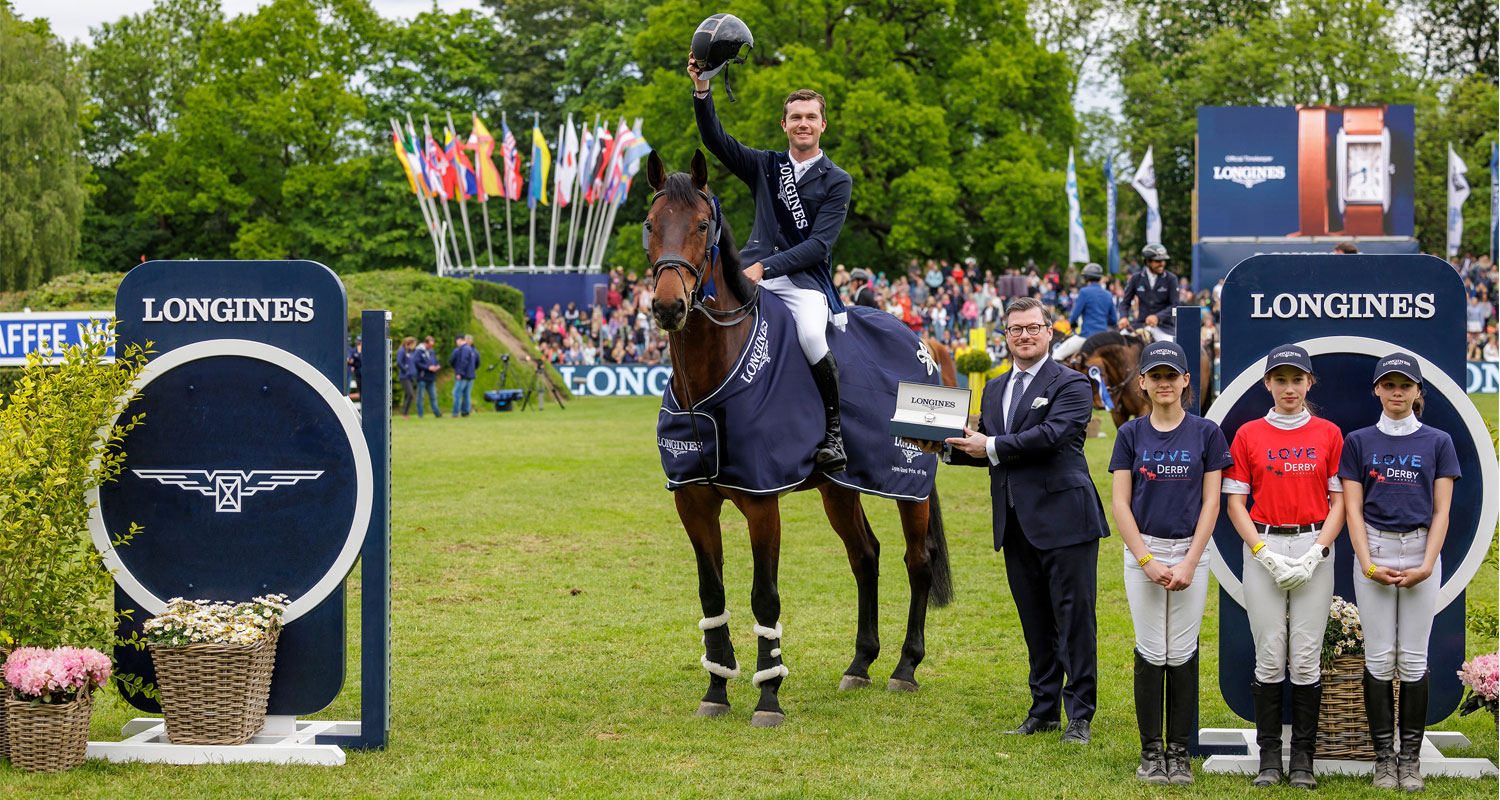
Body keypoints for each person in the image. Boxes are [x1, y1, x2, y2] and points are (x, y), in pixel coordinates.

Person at [942, 297, 1110, 744]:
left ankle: (1080, 715)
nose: (1024, 336)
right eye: (1015, 329)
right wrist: (944, 448)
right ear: (1006, 336)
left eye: (1033, 328)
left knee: (1074, 619)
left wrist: (990, 445)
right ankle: (1043, 710)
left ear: (1048, 333)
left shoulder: (1072, 384)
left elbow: (1052, 437)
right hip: (1015, 521)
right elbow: (995, 453)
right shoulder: (995, 389)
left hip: (1066, 520)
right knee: (1035, 621)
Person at [690, 53, 854, 473]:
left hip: (803, 283)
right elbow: (716, 141)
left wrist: (765, 268)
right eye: (795, 116)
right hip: (751, 274)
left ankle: (834, 434)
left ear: (822, 125)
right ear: (784, 125)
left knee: (814, 340)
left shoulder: (837, 180)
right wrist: (703, 88)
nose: (803, 123)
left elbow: (819, 245)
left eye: (810, 117)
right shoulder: (767, 165)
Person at [1222, 344, 1346, 790]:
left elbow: (1341, 501)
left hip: (1314, 544)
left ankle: (1303, 763)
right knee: (1270, 653)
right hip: (1264, 543)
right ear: (1267, 384)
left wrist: (1317, 550)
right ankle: (1269, 760)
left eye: (1297, 380)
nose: (1289, 388)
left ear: (1309, 383)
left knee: (1307, 655)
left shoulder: (1329, 433)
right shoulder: (1249, 434)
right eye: (1281, 380)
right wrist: (1262, 552)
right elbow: (1235, 501)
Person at [1109, 341, 1232, 786]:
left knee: (1180, 651)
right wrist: (1145, 559)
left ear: (1186, 381)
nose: (1164, 383)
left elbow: (1212, 502)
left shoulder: (1206, 433)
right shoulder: (1130, 434)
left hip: (1190, 554)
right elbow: (1121, 504)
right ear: (1142, 382)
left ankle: (1178, 753)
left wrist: (1189, 561)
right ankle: (1150, 753)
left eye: (1171, 376)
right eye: (1155, 376)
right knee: (1149, 649)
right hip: (1144, 553)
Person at [1340, 354, 1460, 792]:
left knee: (1412, 659)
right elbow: (1351, 508)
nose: (1396, 393)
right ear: (1376, 390)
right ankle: (1383, 759)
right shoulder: (1358, 441)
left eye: (1404, 386)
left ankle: (1409, 759)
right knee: (1377, 658)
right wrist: (1367, 562)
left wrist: (1428, 563)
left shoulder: (1438, 441)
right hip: (1374, 546)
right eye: (1388, 385)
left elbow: (1443, 509)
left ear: (1417, 392)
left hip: (1420, 549)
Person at [1055, 263, 1119, 361]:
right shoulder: (1108, 294)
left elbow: (1074, 315)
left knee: (1056, 354)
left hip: (1086, 336)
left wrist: (1072, 322)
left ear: (1086, 278)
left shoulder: (1084, 292)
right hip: (1104, 338)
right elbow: (1114, 319)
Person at [1119, 244, 1181, 342]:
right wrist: (1123, 317)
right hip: (1141, 325)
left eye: (1163, 260)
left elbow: (1175, 305)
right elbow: (1125, 303)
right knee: (1119, 341)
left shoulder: (1171, 279)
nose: (1162, 264)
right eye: (1158, 261)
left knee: (1171, 349)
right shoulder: (1136, 278)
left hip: (1164, 327)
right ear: (1147, 261)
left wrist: (1158, 317)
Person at [449, 334, 479, 417]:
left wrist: (459, 372)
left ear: (459, 340)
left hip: (463, 376)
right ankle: (465, 412)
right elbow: (477, 363)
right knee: (466, 395)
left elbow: (463, 362)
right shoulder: (471, 350)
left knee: (456, 393)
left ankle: (455, 413)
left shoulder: (463, 349)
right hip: (471, 375)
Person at [415, 335, 442, 418]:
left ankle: (437, 413)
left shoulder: (431, 351)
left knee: (433, 396)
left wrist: (437, 366)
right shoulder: (418, 351)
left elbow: (435, 361)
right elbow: (417, 363)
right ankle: (420, 414)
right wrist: (427, 367)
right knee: (421, 397)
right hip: (422, 377)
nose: (431, 347)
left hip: (431, 377)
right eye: (430, 345)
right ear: (425, 343)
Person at [396, 336, 418, 418]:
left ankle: (405, 414)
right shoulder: (402, 351)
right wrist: (406, 370)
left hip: (410, 377)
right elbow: (399, 362)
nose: (414, 346)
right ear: (410, 343)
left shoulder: (410, 351)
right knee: (410, 394)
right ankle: (404, 413)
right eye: (414, 344)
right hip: (404, 376)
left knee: (407, 395)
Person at [346, 335, 363, 400]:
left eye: (359, 343)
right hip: (357, 374)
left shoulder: (363, 350)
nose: (358, 344)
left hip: (364, 374)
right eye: (357, 343)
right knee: (360, 392)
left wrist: (359, 353)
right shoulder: (353, 350)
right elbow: (352, 361)